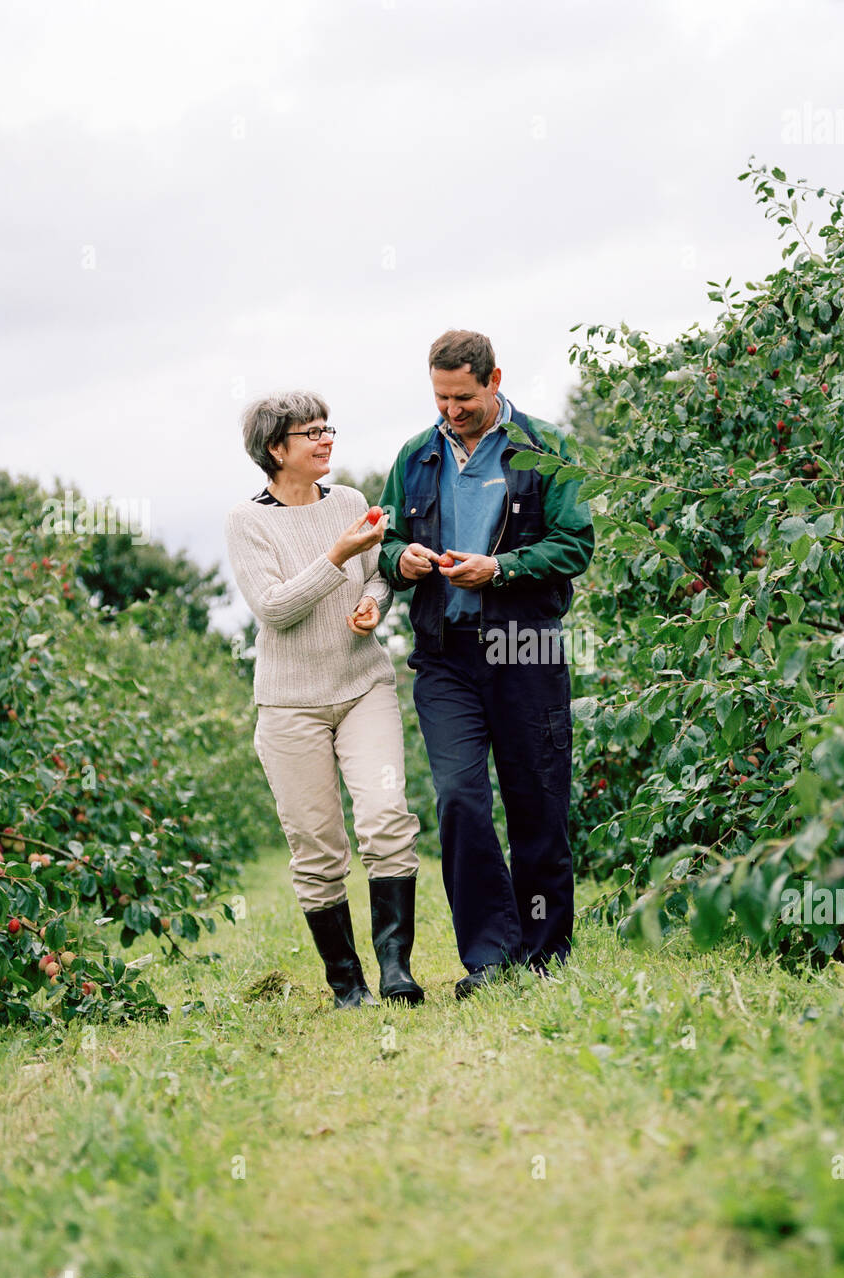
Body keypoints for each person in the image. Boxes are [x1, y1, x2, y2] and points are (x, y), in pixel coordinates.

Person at [377, 331, 595, 998]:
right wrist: (401, 560)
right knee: (460, 799)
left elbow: (574, 545)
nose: (451, 410)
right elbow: (383, 539)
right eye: (440, 398)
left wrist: (499, 570)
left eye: (463, 397)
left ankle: (545, 955)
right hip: (446, 658)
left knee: (537, 799)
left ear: (494, 379)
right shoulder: (415, 456)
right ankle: (490, 960)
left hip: (525, 647)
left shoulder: (545, 448)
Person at [225, 390, 424, 1008]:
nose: (325, 440)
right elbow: (275, 609)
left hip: (362, 686)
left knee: (387, 816)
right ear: (275, 450)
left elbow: (377, 577)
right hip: (290, 706)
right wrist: (337, 554)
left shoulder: (352, 502)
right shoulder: (247, 522)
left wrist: (374, 603)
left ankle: (396, 972)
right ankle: (348, 986)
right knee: (316, 847)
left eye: (326, 428)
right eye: (310, 433)